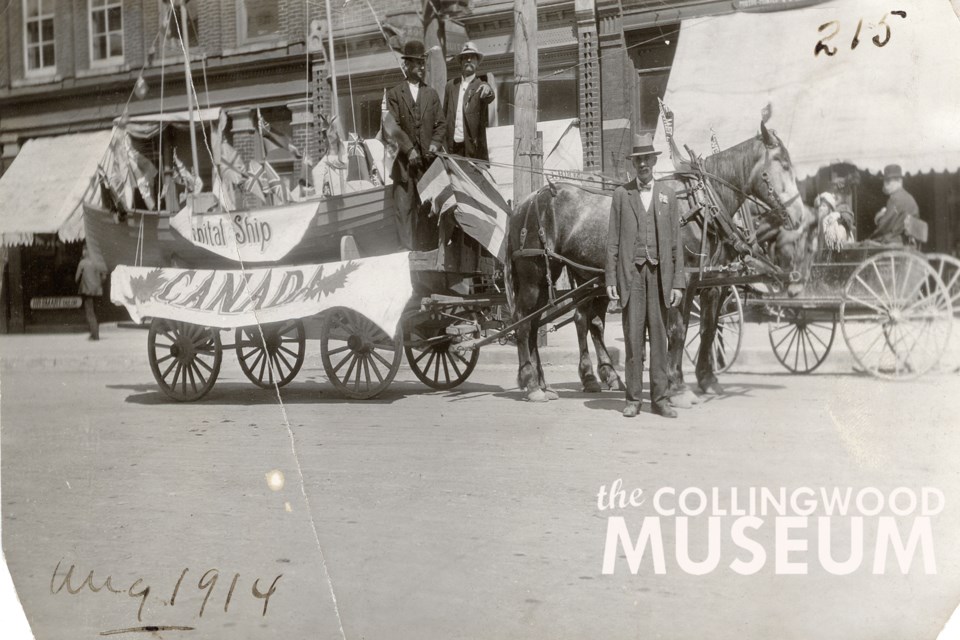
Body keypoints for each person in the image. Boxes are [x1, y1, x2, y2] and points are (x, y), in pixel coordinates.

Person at [605, 133, 685, 419]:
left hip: (660, 276)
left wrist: (678, 283)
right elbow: (613, 241)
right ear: (634, 164)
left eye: (647, 160)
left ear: (654, 162)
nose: (643, 165)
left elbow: (676, 244)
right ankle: (633, 399)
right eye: (638, 160)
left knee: (660, 341)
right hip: (632, 277)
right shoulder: (621, 195)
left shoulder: (668, 195)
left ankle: (660, 399)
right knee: (633, 339)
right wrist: (611, 280)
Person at [385, 40, 445, 250]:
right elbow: (392, 128)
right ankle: (406, 256)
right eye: (418, 63)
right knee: (404, 211)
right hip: (404, 168)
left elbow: (441, 125)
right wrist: (409, 149)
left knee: (430, 210)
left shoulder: (432, 94)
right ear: (407, 66)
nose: (422, 67)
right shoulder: (394, 95)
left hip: (428, 167)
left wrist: (436, 145)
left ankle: (428, 254)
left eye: (424, 63)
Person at [443, 42, 495, 162]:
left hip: (472, 149)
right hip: (451, 148)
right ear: (461, 62)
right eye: (465, 57)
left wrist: (488, 88)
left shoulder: (481, 85)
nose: (469, 59)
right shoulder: (451, 85)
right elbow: (444, 115)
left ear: (477, 62)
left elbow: (490, 96)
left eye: (472, 57)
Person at [870, 163, 919, 244]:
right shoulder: (908, 197)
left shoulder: (895, 198)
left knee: (865, 244)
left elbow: (884, 227)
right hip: (906, 241)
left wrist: (879, 218)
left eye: (888, 181)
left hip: (894, 241)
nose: (885, 185)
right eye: (884, 181)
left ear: (899, 181)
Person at [75, 244, 106, 341]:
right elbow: (104, 276)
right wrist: (98, 283)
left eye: (83, 250)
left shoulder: (82, 263)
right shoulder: (98, 262)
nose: (83, 252)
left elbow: (76, 278)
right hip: (98, 291)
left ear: (85, 251)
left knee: (90, 313)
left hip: (87, 291)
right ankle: (95, 332)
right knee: (96, 312)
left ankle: (94, 335)